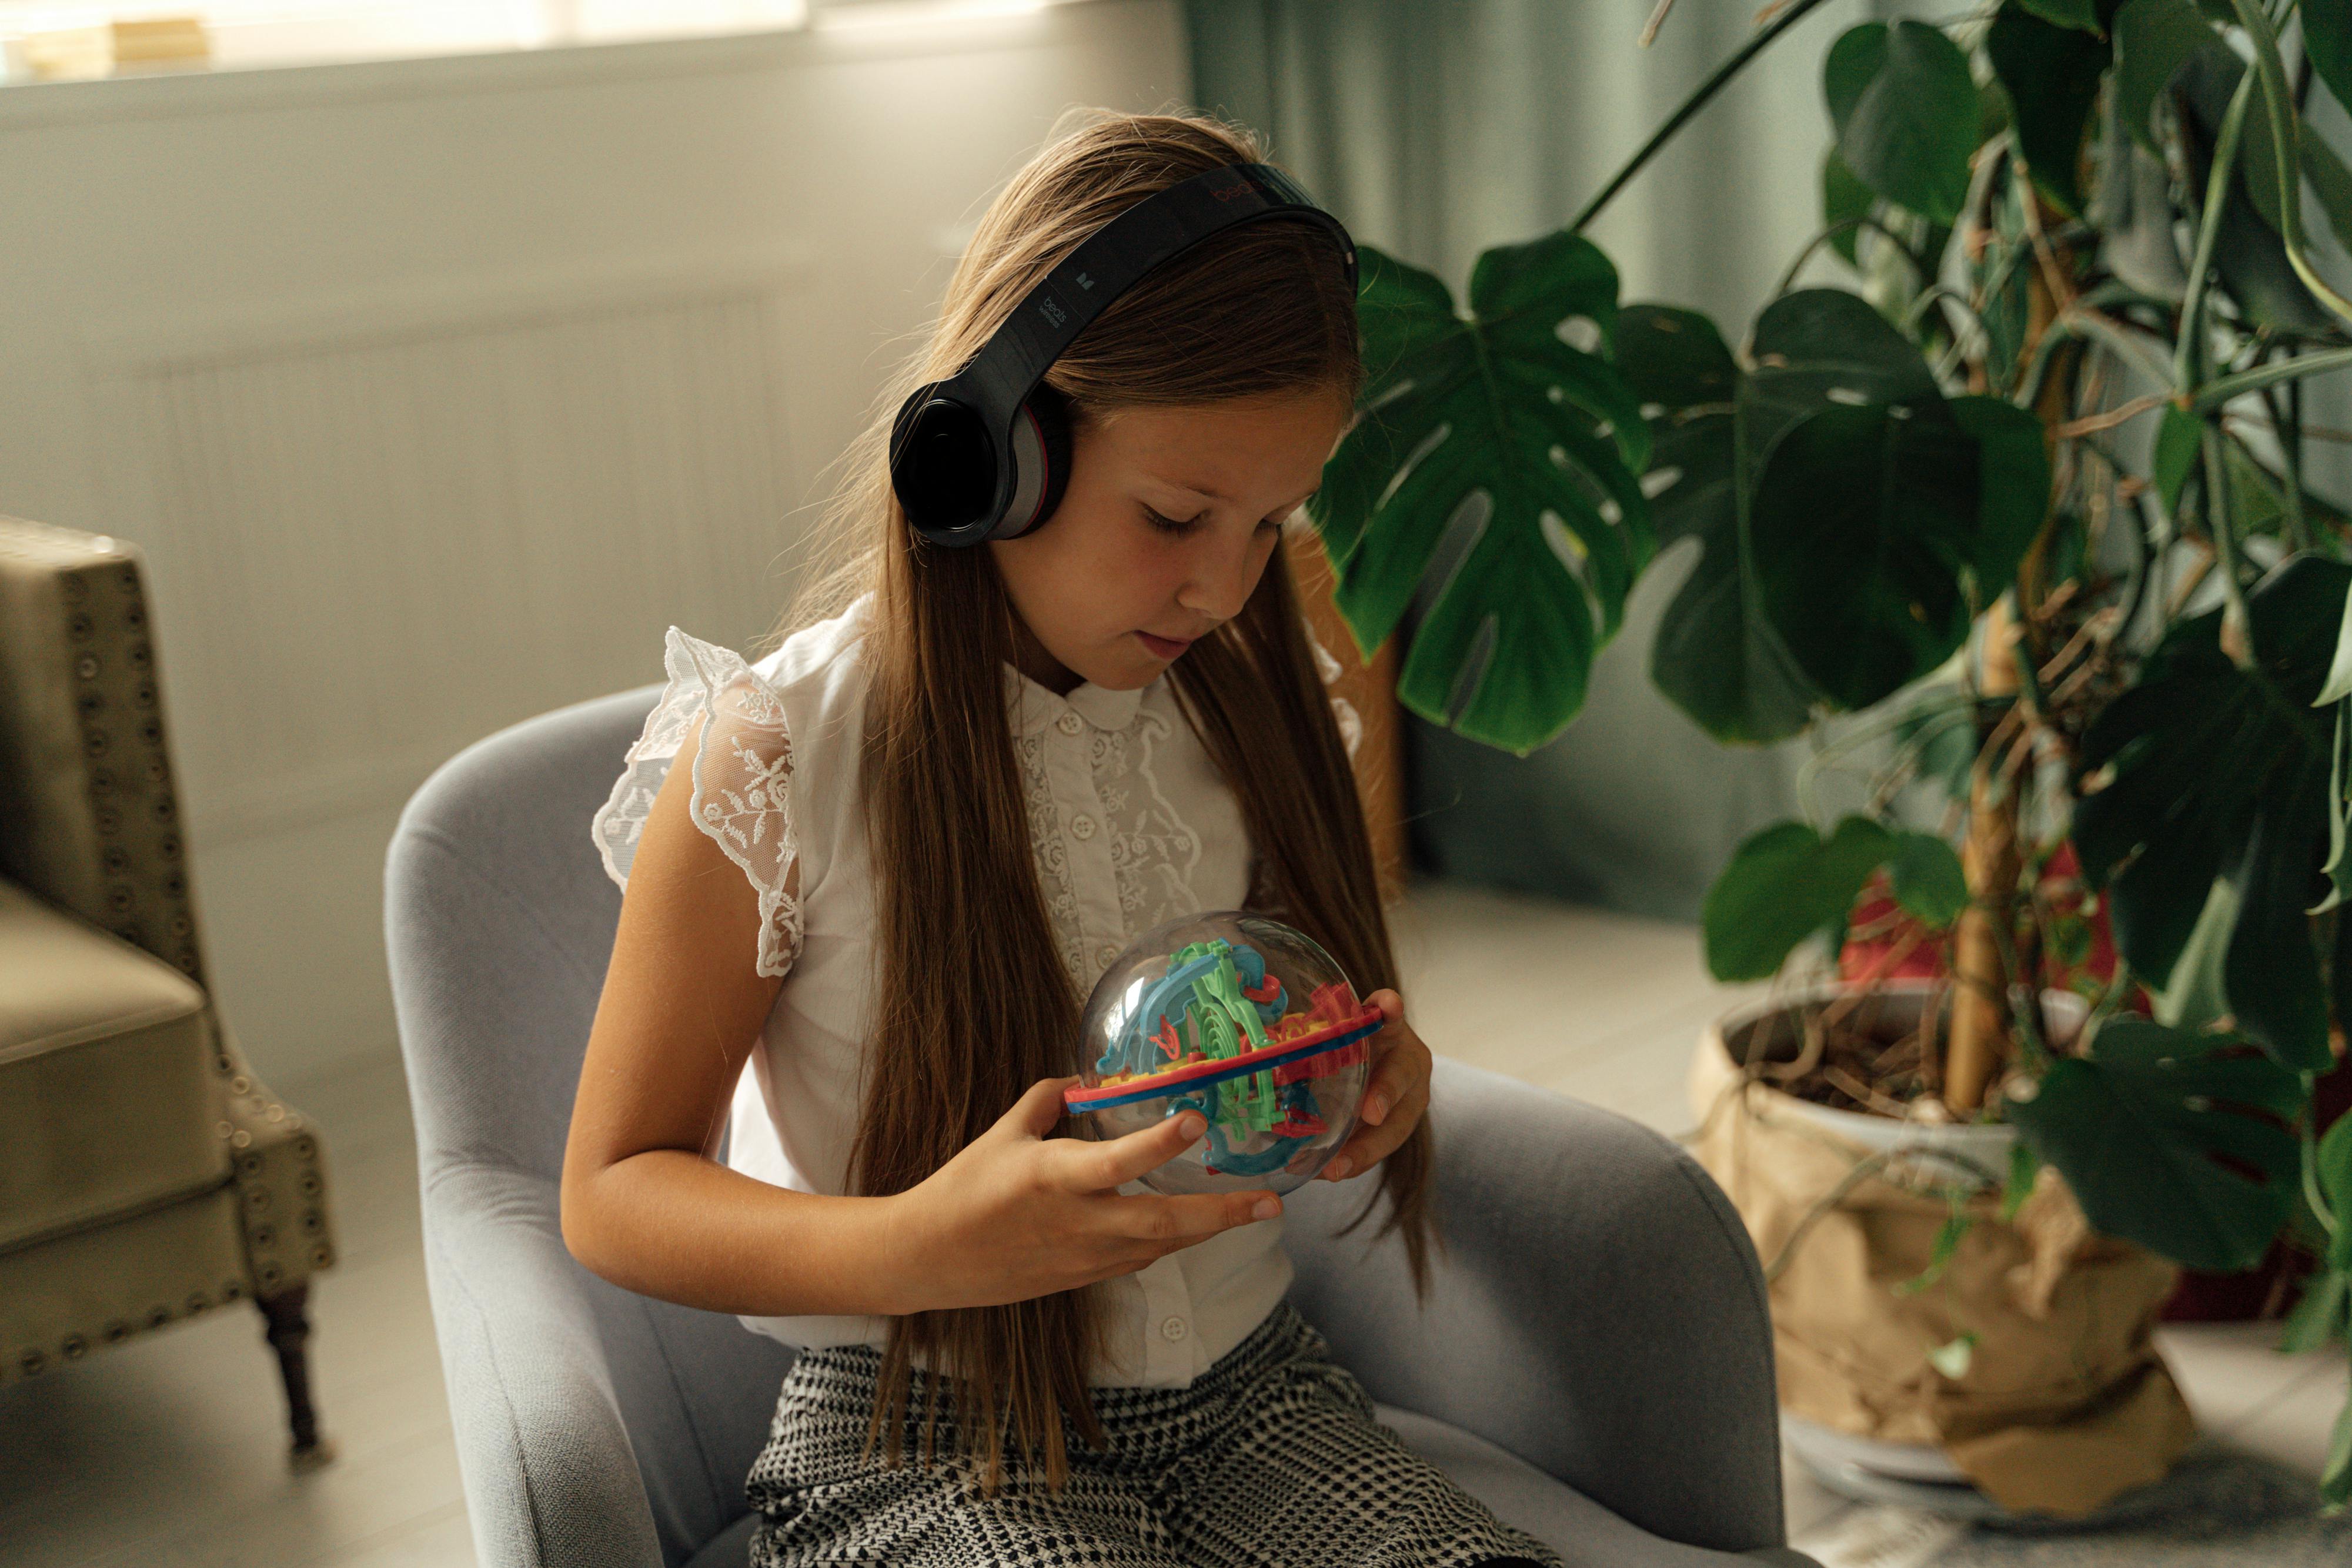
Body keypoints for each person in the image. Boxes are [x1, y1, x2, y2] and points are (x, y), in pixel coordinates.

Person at [559, 107, 1560, 1568]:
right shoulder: (777, 757)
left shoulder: (1248, 714)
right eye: (1172, 513)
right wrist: (920, 1244)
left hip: (1253, 1400)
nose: (1223, 589)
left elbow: (1274, 1005)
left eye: (1271, 523)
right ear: (994, 453)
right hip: (919, 1432)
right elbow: (614, 1189)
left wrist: (1351, 1079)